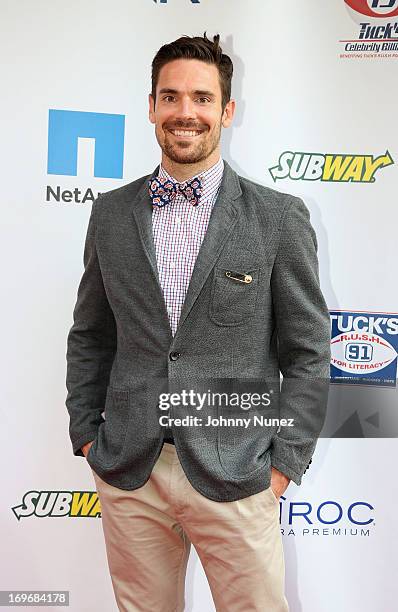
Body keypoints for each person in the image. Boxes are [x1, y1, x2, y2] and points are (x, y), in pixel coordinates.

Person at [65, 33, 330, 612]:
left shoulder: (277, 217)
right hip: (131, 469)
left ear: (227, 111)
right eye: (172, 96)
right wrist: (86, 432)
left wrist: (284, 464)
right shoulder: (111, 215)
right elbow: (91, 333)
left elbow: (308, 351)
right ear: (153, 106)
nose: (186, 112)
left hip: (237, 470)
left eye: (203, 99)